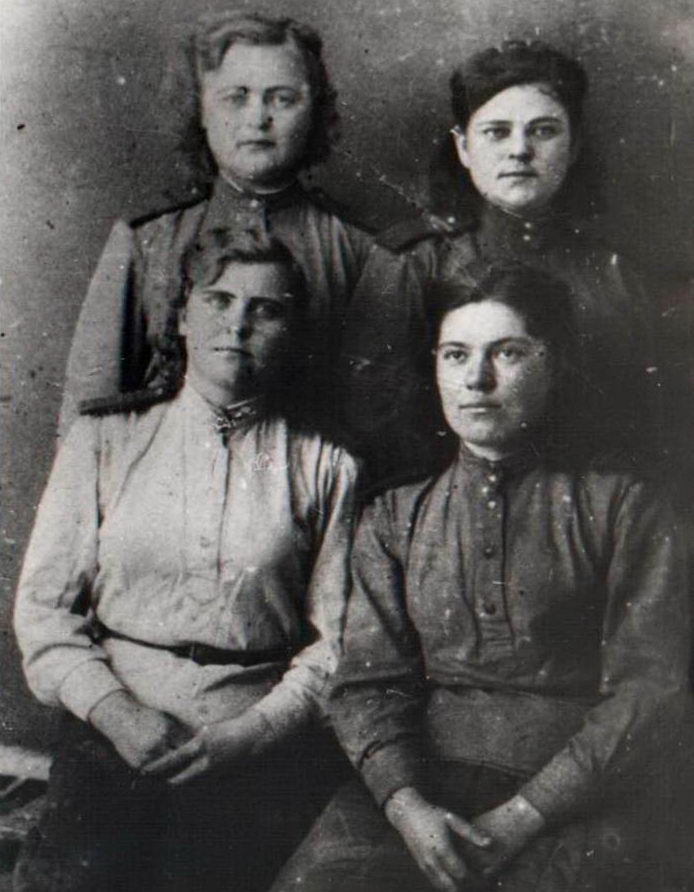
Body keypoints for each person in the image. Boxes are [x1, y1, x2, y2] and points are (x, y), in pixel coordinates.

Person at [270, 263, 690, 892]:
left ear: (553, 365)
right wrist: (407, 809)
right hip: (422, 787)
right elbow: (367, 686)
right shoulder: (395, 516)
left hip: (576, 792)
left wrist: (525, 815)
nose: (477, 379)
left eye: (508, 353)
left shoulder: (622, 506)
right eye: (456, 354)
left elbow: (652, 689)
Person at [13, 231, 358, 892]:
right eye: (219, 300)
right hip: (109, 738)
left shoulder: (326, 464)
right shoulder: (107, 439)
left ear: (291, 331)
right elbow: (43, 611)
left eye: (266, 309)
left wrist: (253, 734)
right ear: (181, 316)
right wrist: (115, 712)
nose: (238, 324)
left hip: (251, 754)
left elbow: (336, 647)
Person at [342, 40, 658, 484]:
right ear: (463, 147)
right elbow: (375, 417)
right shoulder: (416, 262)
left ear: (574, 146)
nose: (521, 150)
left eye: (543, 131)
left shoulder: (614, 274)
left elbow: (642, 422)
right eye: (497, 132)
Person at [58, 10, 373, 437]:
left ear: (314, 111)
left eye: (282, 99)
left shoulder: (359, 250)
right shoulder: (146, 242)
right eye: (236, 97)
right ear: (201, 109)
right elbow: (87, 420)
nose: (257, 118)